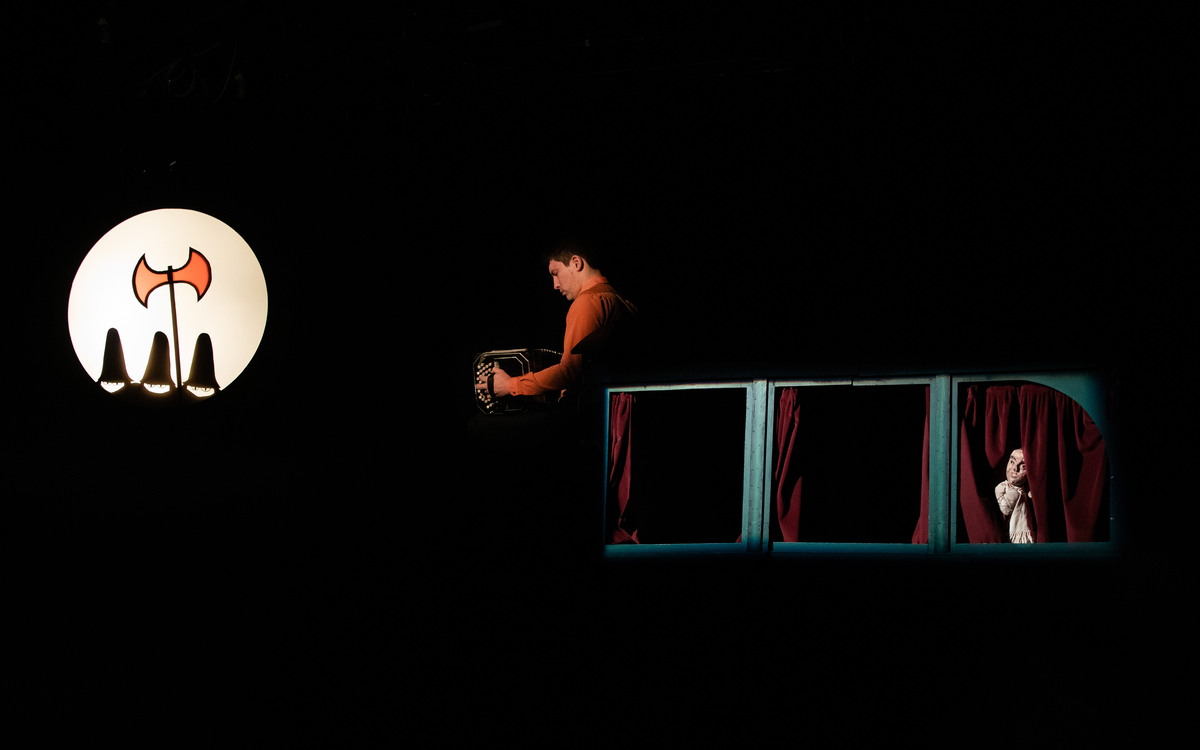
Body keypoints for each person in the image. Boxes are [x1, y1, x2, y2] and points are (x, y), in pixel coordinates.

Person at [475, 238, 637, 404]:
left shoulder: (586, 302)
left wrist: (510, 385)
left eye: (555, 273)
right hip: (609, 403)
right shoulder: (622, 302)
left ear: (576, 263)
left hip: (582, 411)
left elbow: (569, 373)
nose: (555, 285)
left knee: (479, 425)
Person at [995, 448, 1035, 544]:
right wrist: (1015, 492)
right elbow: (1006, 509)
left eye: (1023, 467)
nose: (1014, 469)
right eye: (1012, 462)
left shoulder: (1027, 489)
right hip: (1011, 534)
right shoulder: (1002, 488)